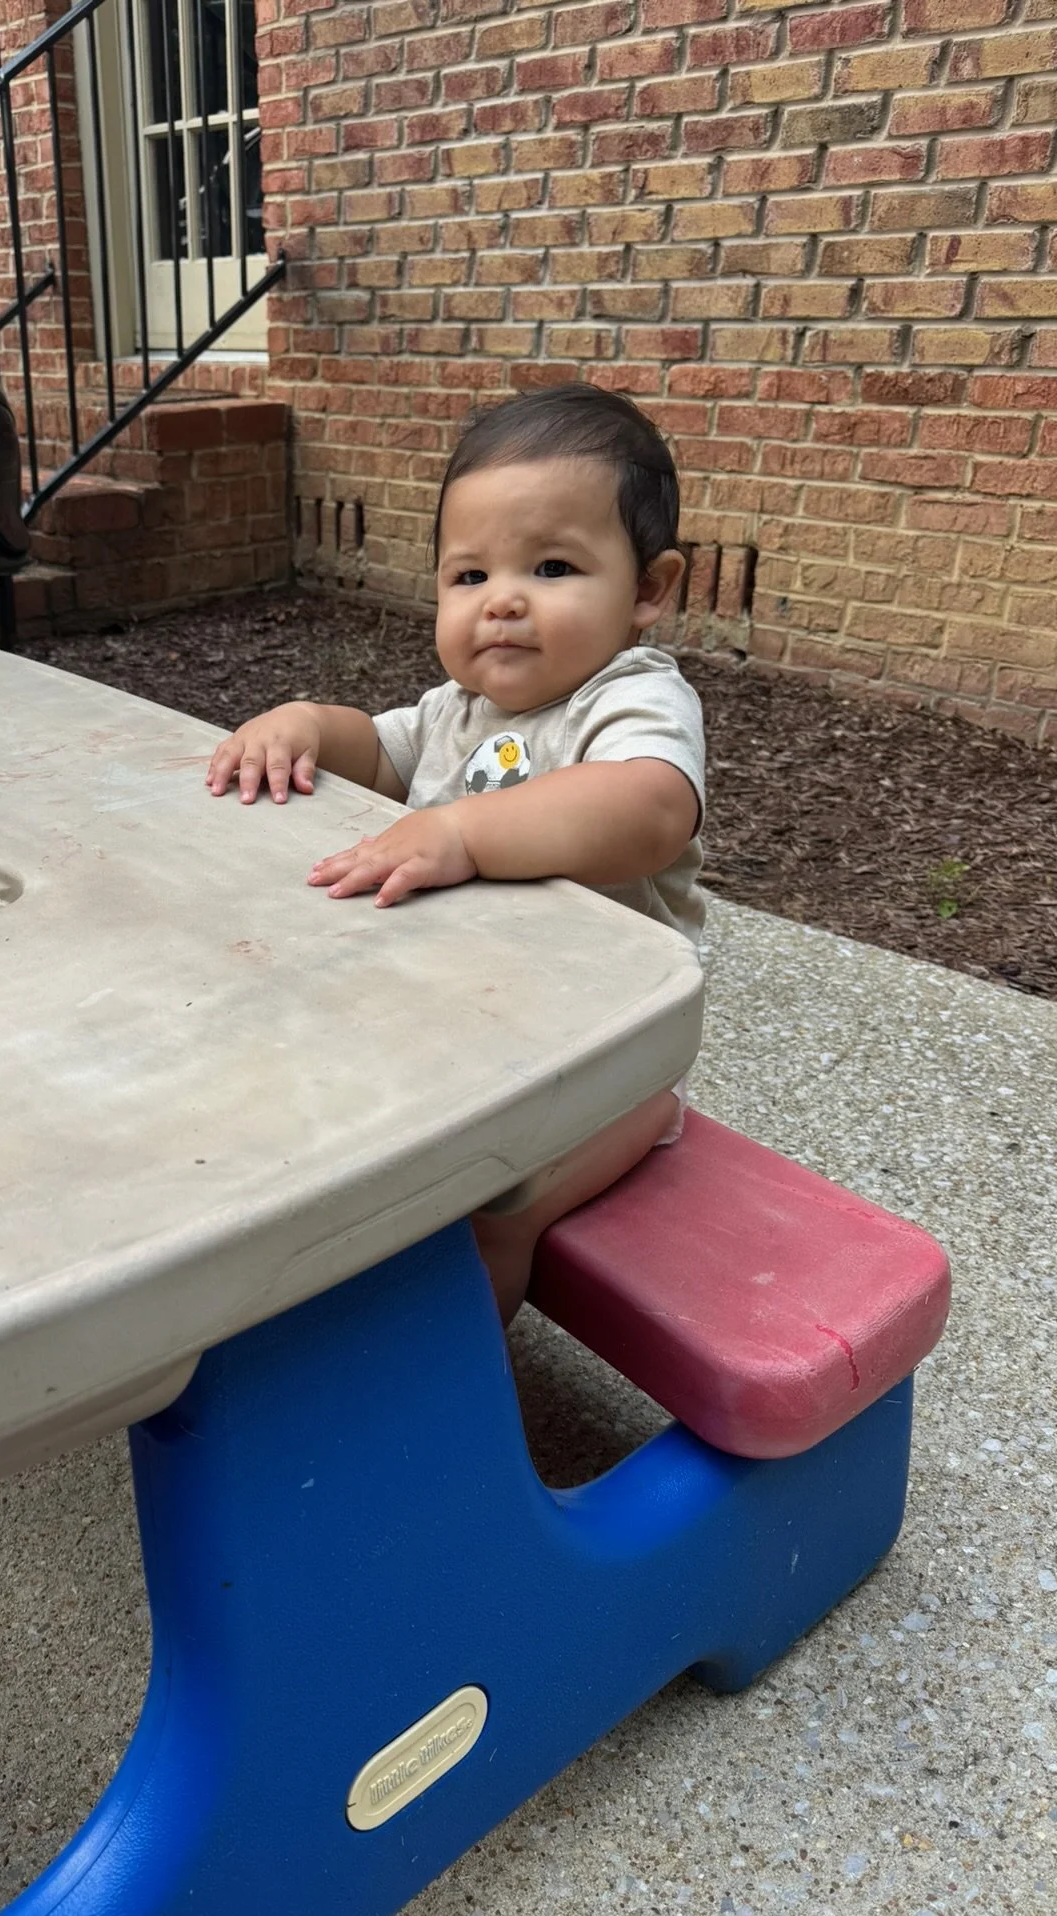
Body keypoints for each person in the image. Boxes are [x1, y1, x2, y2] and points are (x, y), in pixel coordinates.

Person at [205, 383, 705, 1322]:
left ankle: (448, 1423)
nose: (503, 602)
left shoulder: (629, 700)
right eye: (469, 577)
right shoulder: (457, 710)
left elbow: (648, 807)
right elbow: (380, 752)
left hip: (608, 1059)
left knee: (486, 1213)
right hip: (468, 1025)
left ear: (648, 588)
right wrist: (304, 723)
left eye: (552, 567)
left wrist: (464, 831)